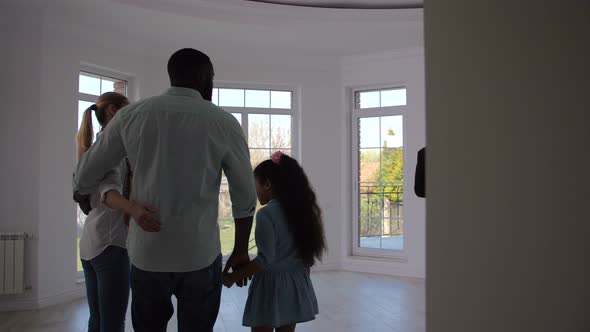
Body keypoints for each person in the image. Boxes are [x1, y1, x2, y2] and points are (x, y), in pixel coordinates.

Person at [73, 48, 257, 332]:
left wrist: (82, 191)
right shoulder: (223, 122)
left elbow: (86, 172)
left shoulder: (131, 116)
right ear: (204, 77)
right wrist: (241, 248)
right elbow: (244, 193)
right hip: (199, 254)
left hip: (148, 255)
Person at [75, 92, 159, 332]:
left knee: (98, 319)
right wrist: (134, 209)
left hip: (90, 244)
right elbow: (108, 193)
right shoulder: (112, 149)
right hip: (110, 245)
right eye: (127, 109)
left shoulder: (94, 148)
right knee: (112, 323)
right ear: (113, 111)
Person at [223, 151, 326, 332]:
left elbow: (265, 259)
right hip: (295, 283)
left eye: (255, 185)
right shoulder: (301, 212)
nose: (254, 192)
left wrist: (232, 278)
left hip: (271, 287)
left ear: (267, 184)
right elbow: (307, 259)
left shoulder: (266, 215)